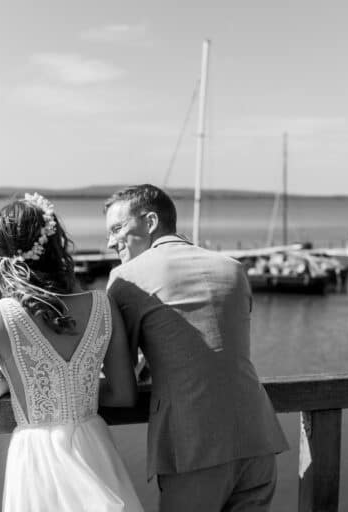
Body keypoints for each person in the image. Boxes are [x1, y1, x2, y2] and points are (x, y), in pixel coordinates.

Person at [104, 184, 289, 511]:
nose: (110, 241)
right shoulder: (233, 267)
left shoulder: (126, 279)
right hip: (258, 437)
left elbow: (122, 377)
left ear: (150, 222)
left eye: (118, 228)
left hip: (194, 447)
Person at [0, 193, 143, 512]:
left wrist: (6, 381)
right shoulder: (103, 305)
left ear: (1, 255)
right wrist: (77, 393)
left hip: (37, 459)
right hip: (93, 446)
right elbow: (125, 395)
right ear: (57, 245)